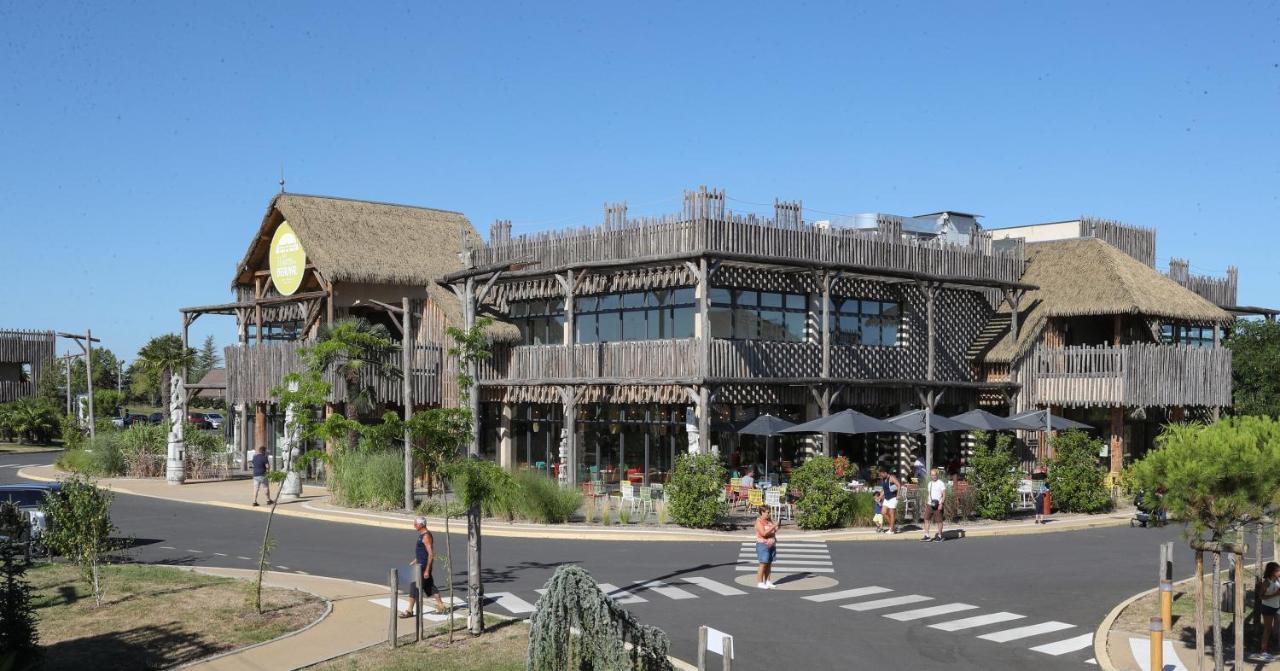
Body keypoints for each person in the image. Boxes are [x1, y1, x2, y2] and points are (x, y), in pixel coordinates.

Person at [402, 517, 448, 617]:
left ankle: (409, 610)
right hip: (420, 564)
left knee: (414, 587)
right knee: (430, 586)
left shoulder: (426, 536)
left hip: (422, 567)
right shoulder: (422, 535)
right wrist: (415, 560)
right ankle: (441, 606)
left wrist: (427, 570)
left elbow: (430, 554)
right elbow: (422, 552)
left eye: (415, 524)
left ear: (421, 525)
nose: (414, 525)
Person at [1255, 562, 1280, 662]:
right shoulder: (1267, 582)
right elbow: (1261, 596)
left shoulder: (1278, 579)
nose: (1279, 572)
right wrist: (1275, 594)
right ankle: (1263, 650)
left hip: (1277, 607)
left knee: (1276, 627)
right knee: (1268, 629)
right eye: (1278, 570)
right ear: (1272, 572)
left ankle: (1273, 646)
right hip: (1268, 607)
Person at [754, 505, 778, 589]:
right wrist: (773, 527)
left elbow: (774, 531)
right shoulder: (759, 521)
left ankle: (768, 581)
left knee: (769, 563)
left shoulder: (769, 520)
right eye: (767, 512)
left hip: (771, 544)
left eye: (769, 512)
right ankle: (760, 582)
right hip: (762, 545)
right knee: (763, 563)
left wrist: (776, 527)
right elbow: (763, 533)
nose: (769, 514)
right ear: (762, 512)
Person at [922, 468, 946, 542]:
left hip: (938, 504)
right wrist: (926, 502)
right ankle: (927, 535)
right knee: (926, 519)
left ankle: (939, 535)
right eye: (932, 475)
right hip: (930, 504)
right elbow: (929, 494)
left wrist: (941, 503)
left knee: (939, 521)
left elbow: (944, 494)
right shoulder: (930, 483)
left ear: (937, 475)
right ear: (930, 476)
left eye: (935, 475)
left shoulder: (941, 483)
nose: (933, 476)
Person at [880, 469, 901, 534]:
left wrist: (898, 495)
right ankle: (893, 527)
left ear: (885, 472)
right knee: (883, 512)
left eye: (881, 474)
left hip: (893, 498)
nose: (881, 476)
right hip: (886, 498)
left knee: (892, 514)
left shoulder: (891, 478)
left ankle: (891, 530)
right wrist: (880, 497)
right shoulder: (884, 479)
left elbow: (898, 485)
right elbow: (884, 490)